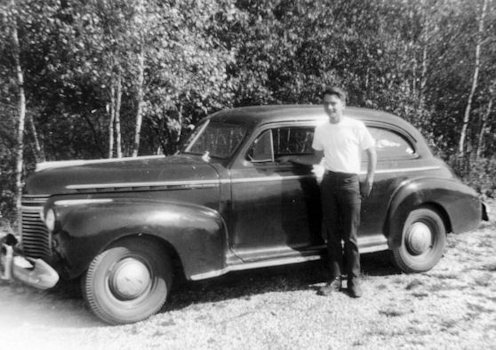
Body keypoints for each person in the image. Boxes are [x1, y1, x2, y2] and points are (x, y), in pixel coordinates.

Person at [279, 87, 376, 298]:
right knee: (331, 234)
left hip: (350, 182)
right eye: (326, 104)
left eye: (333, 103)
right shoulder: (321, 129)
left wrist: (369, 178)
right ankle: (334, 280)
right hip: (329, 182)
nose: (330, 107)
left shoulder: (355, 126)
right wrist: (291, 158)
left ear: (342, 104)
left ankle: (354, 281)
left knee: (350, 236)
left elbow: (371, 151)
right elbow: (315, 159)